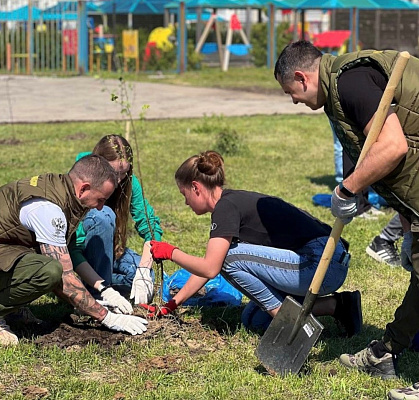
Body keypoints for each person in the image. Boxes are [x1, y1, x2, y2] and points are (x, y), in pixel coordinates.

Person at [274, 40, 419, 395]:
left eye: (289, 92)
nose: (293, 100)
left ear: (300, 77)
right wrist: (407, 225)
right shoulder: (337, 97)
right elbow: (378, 156)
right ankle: (385, 353)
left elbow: (393, 147)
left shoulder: (349, 82)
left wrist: (346, 190)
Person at [142, 150, 362, 338]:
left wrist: (171, 253)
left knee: (228, 259)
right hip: (325, 262)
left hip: (322, 262)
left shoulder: (226, 208)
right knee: (254, 320)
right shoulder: (230, 203)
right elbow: (208, 269)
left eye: (184, 194)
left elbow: (212, 267)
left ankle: (287, 322)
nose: (185, 202)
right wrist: (173, 304)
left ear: (196, 187)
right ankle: (339, 306)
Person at [0, 154, 148, 345]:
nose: (102, 207)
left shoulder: (61, 190)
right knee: (49, 271)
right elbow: (64, 279)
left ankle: (12, 307)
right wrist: (108, 318)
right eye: (101, 199)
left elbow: (69, 254)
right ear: (84, 188)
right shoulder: (49, 210)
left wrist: (104, 289)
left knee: (46, 260)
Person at [69, 135, 163, 310]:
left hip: (110, 253)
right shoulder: (83, 179)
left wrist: (143, 269)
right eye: (114, 173)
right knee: (103, 215)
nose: (119, 179)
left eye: (124, 173)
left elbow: (148, 222)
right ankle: (96, 296)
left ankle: (95, 284)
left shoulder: (129, 182)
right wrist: (104, 290)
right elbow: (74, 244)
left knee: (144, 276)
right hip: (82, 256)